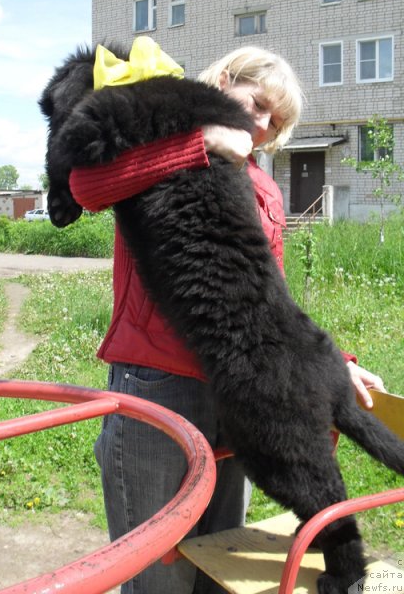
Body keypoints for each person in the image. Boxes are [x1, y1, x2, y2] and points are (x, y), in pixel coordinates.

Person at [68, 44, 385, 594]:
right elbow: (86, 188)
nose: (261, 124)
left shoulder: (260, 181)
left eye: (275, 119)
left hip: (239, 382)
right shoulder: (158, 126)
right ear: (225, 77)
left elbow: (271, 295)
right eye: (257, 102)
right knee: (157, 567)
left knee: (222, 556)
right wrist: (201, 141)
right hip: (157, 381)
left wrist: (337, 363)